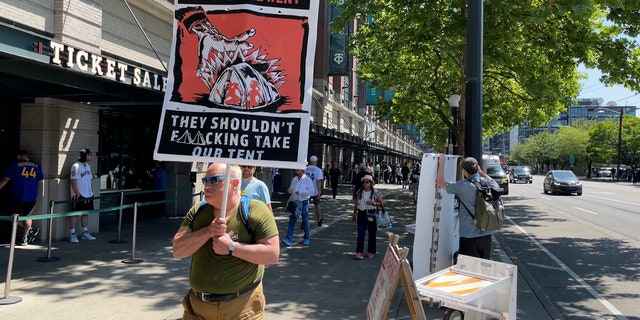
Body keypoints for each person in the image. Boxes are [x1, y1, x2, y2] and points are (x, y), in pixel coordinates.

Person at [172, 163, 279, 319]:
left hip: (241, 307)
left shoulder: (256, 210)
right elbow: (178, 250)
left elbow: (272, 255)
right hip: (198, 308)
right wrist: (208, 231)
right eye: (206, 180)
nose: (207, 185)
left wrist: (231, 247)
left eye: (214, 180)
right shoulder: (198, 210)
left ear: (235, 183)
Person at [436, 155, 498, 260]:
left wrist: (441, 164)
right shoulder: (487, 182)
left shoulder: (463, 186)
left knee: (469, 268)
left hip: (469, 234)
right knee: (483, 266)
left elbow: (440, 183)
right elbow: (496, 185)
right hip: (487, 233)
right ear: (477, 168)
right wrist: (481, 172)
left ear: (464, 171)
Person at [0, 150, 44, 245]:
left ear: (19, 156)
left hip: (18, 195)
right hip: (32, 196)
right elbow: (41, 181)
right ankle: (25, 237)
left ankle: (29, 231)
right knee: (27, 216)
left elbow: (5, 179)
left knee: (11, 216)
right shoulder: (36, 165)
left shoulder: (14, 165)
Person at [351, 174, 383, 260]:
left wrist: (374, 203)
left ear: (371, 183)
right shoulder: (359, 192)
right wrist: (354, 214)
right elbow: (356, 204)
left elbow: (381, 203)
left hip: (372, 213)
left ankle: (371, 251)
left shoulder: (376, 192)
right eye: (364, 182)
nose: (365, 184)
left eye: (367, 182)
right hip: (361, 213)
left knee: (372, 233)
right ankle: (359, 252)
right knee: (361, 233)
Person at [69, 148, 96, 243]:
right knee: (75, 214)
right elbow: (73, 181)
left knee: (85, 213)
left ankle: (85, 232)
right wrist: (78, 193)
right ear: (85, 155)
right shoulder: (75, 166)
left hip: (88, 194)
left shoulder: (87, 166)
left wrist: (91, 192)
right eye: (89, 154)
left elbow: (90, 180)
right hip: (79, 195)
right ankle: (72, 234)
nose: (90, 156)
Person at [283, 167, 314, 246]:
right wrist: (290, 190)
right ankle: (289, 238)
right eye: (296, 169)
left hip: (304, 202)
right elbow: (291, 188)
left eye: (298, 170)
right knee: (292, 219)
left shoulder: (307, 179)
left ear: (302, 170)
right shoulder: (294, 179)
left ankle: (306, 237)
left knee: (305, 219)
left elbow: (311, 191)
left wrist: (301, 192)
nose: (296, 171)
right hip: (295, 201)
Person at [305, 155, 324, 226]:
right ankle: (319, 219)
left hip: (306, 190)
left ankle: (305, 220)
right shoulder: (318, 170)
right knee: (317, 205)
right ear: (315, 162)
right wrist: (319, 192)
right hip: (315, 191)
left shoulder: (305, 169)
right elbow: (318, 181)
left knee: (306, 206)